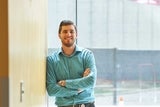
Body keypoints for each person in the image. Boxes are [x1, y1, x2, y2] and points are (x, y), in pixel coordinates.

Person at [46, 20, 97, 107]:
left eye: (71, 31)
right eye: (65, 31)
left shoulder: (87, 55)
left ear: (76, 35)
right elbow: (51, 90)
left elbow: (91, 81)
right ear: (59, 35)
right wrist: (79, 88)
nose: (68, 34)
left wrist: (65, 83)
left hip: (86, 104)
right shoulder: (51, 60)